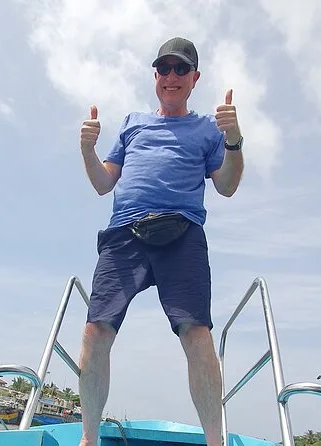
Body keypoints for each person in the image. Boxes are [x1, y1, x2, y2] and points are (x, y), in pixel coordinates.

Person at [77, 36, 244, 446]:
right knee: (96, 329)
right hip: (124, 233)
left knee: (196, 332)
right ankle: (88, 439)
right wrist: (87, 150)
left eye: (181, 69)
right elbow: (103, 183)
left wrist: (234, 140)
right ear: (155, 75)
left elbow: (226, 186)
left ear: (194, 78)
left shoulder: (208, 129)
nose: (171, 76)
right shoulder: (132, 122)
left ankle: (215, 442)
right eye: (164, 68)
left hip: (182, 233)